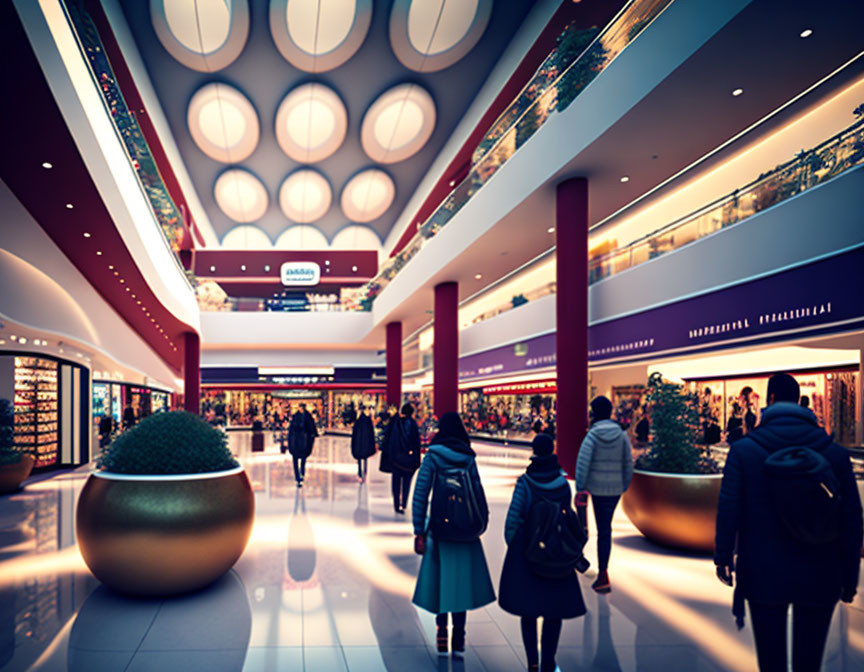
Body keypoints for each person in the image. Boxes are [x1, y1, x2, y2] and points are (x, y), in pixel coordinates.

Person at [715, 372, 862, 672]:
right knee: (810, 662)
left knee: (771, 661)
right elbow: (852, 519)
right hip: (821, 573)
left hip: (762, 572)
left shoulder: (743, 452)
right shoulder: (835, 455)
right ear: (798, 402)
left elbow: (728, 507)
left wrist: (723, 557)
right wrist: (850, 577)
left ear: (768, 401)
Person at [499, 434, 586, 672]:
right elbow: (567, 519)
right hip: (557, 557)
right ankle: (549, 659)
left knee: (528, 611)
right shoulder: (561, 484)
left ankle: (532, 662)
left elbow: (512, 523)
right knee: (553, 610)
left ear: (534, 452)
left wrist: (519, 550)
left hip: (530, 557)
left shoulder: (526, 483)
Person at [412, 412, 496, 657]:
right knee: (461, 581)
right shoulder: (468, 457)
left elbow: (420, 495)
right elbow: (478, 490)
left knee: (442, 578)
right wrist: (482, 520)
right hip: (467, 530)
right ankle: (459, 635)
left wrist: (419, 530)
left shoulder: (434, 456)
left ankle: (441, 632)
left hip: (440, 528)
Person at [574, 396, 633, 594]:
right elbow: (628, 463)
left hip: (597, 490)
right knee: (606, 529)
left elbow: (583, 464)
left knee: (600, 528)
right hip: (614, 490)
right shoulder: (621, 435)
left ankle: (602, 574)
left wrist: (581, 488)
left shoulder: (592, 436)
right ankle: (603, 573)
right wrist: (623, 486)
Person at [388, 404, 422, 514]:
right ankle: (404, 504)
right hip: (408, 458)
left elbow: (389, 439)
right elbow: (416, 443)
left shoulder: (395, 423)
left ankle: (396, 504)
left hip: (395, 458)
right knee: (406, 482)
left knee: (396, 482)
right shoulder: (413, 424)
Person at [288, 403, 317, 486]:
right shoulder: (296, 417)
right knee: (296, 460)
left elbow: (312, 429)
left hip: (304, 441)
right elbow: (291, 431)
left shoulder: (307, 417)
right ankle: (298, 477)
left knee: (303, 459)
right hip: (296, 441)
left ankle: (302, 474)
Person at [350, 405, 376, 481]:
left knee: (359, 459)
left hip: (358, 444)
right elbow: (371, 434)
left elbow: (354, 434)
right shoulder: (368, 421)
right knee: (364, 459)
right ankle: (364, 473)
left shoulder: (358, 421)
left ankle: (360, 474)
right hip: (366, 444)